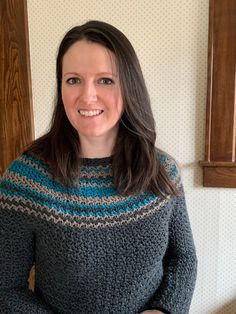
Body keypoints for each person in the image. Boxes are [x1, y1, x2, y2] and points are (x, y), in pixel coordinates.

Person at [0, 20, 197, 314]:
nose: (87, 96)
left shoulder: (162, 170)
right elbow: (6, 288)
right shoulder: (26, 179)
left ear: (129, 85)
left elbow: (183, 258)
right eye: (73, 80)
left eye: (105, 80)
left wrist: (164, 310)